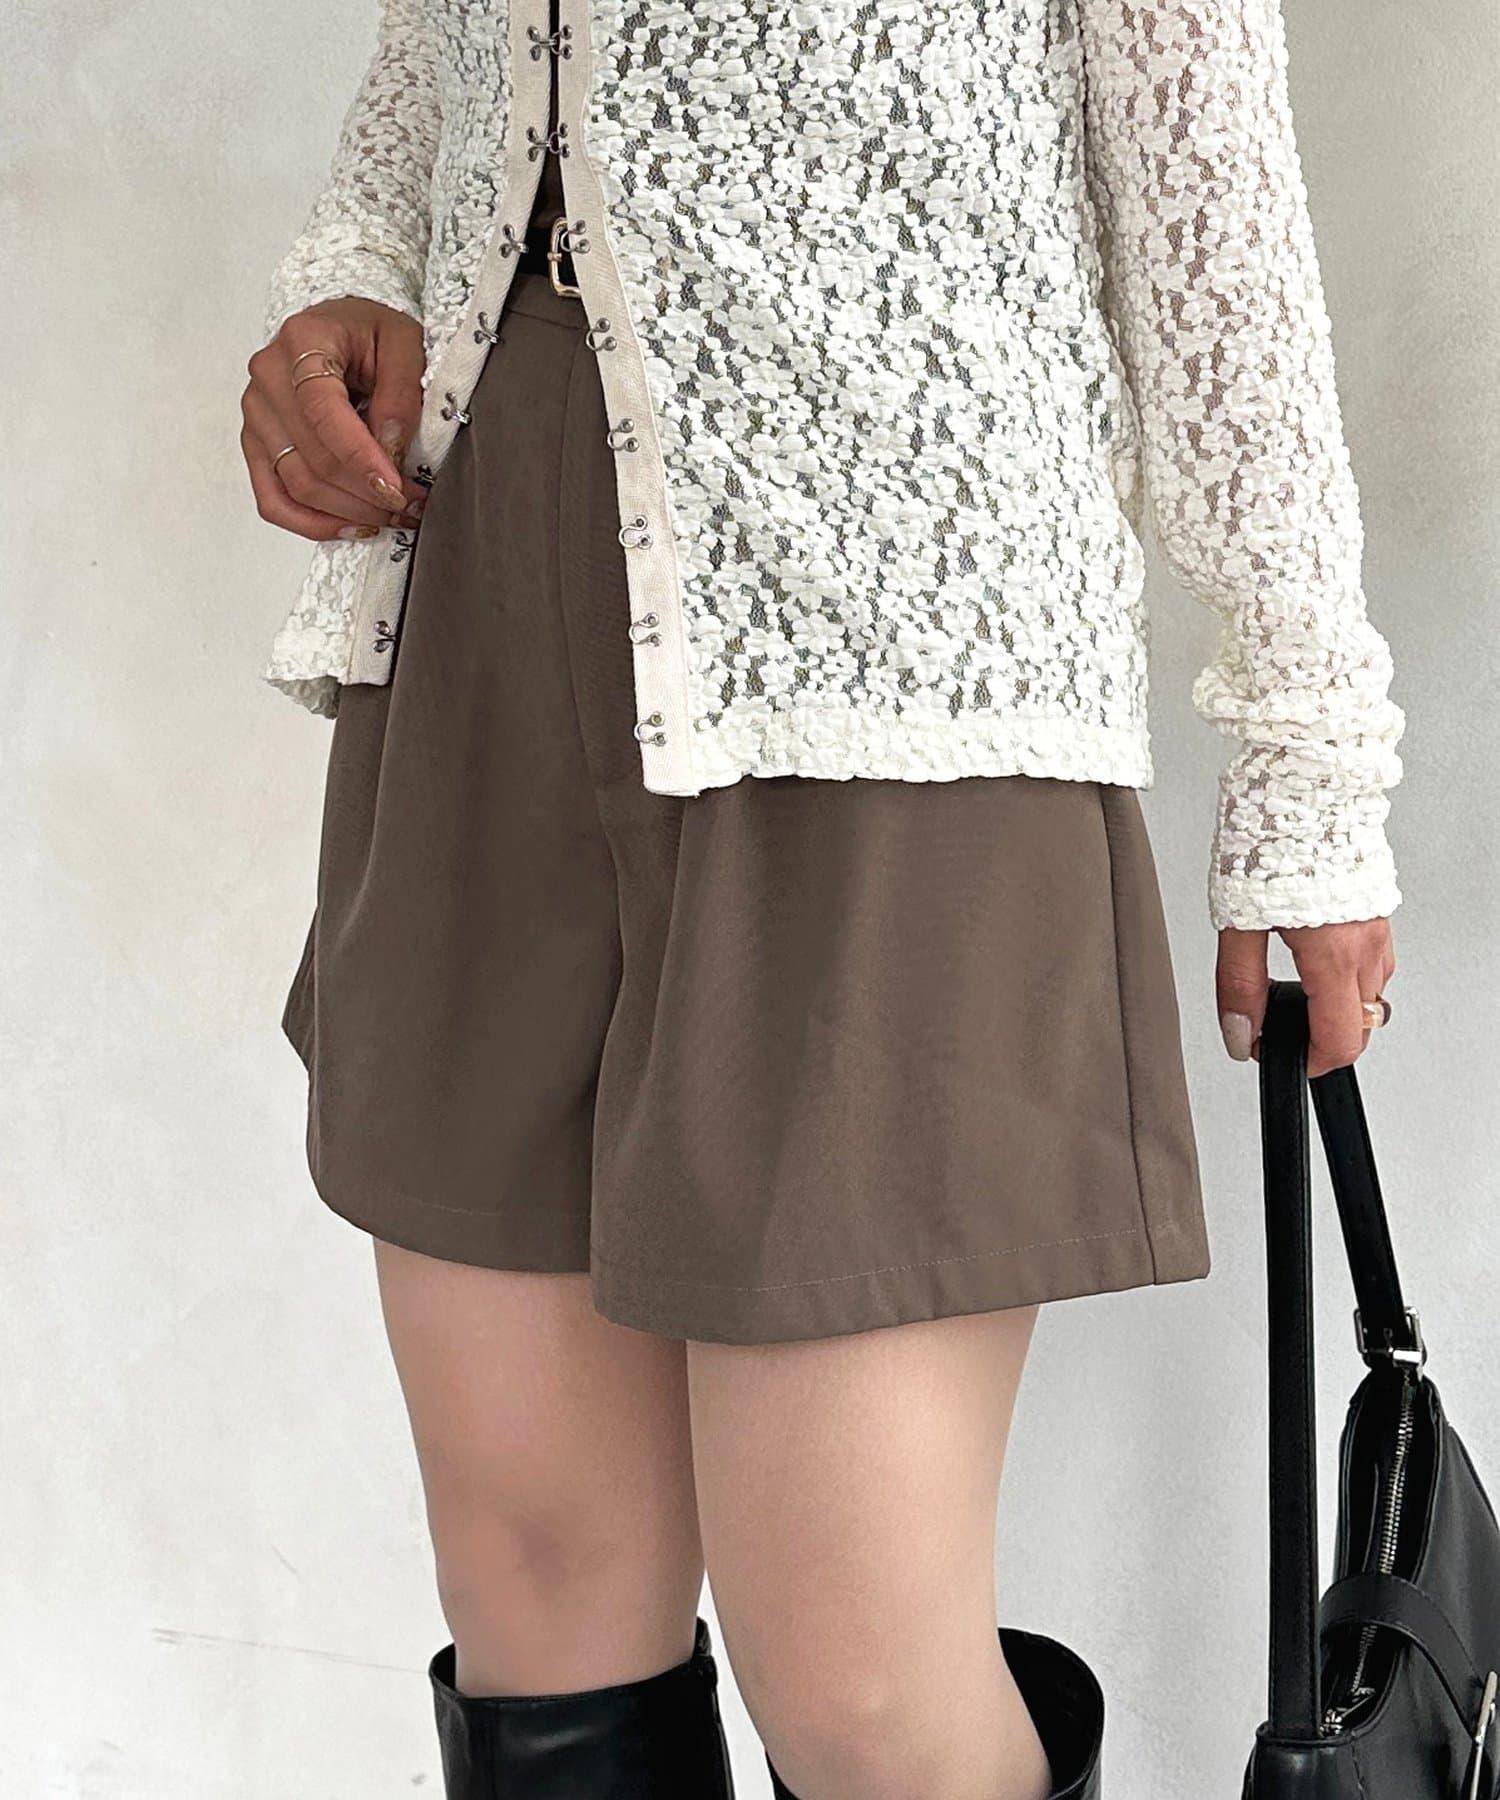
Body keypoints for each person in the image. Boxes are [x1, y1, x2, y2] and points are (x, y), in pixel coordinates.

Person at [240, 1, 1402, 1794]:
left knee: (856, 1676)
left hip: (903, 681)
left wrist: (1309, 751)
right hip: (476, 611)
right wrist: (354, 279)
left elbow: (1215, 224)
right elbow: (439, 59)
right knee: (537, 1591)